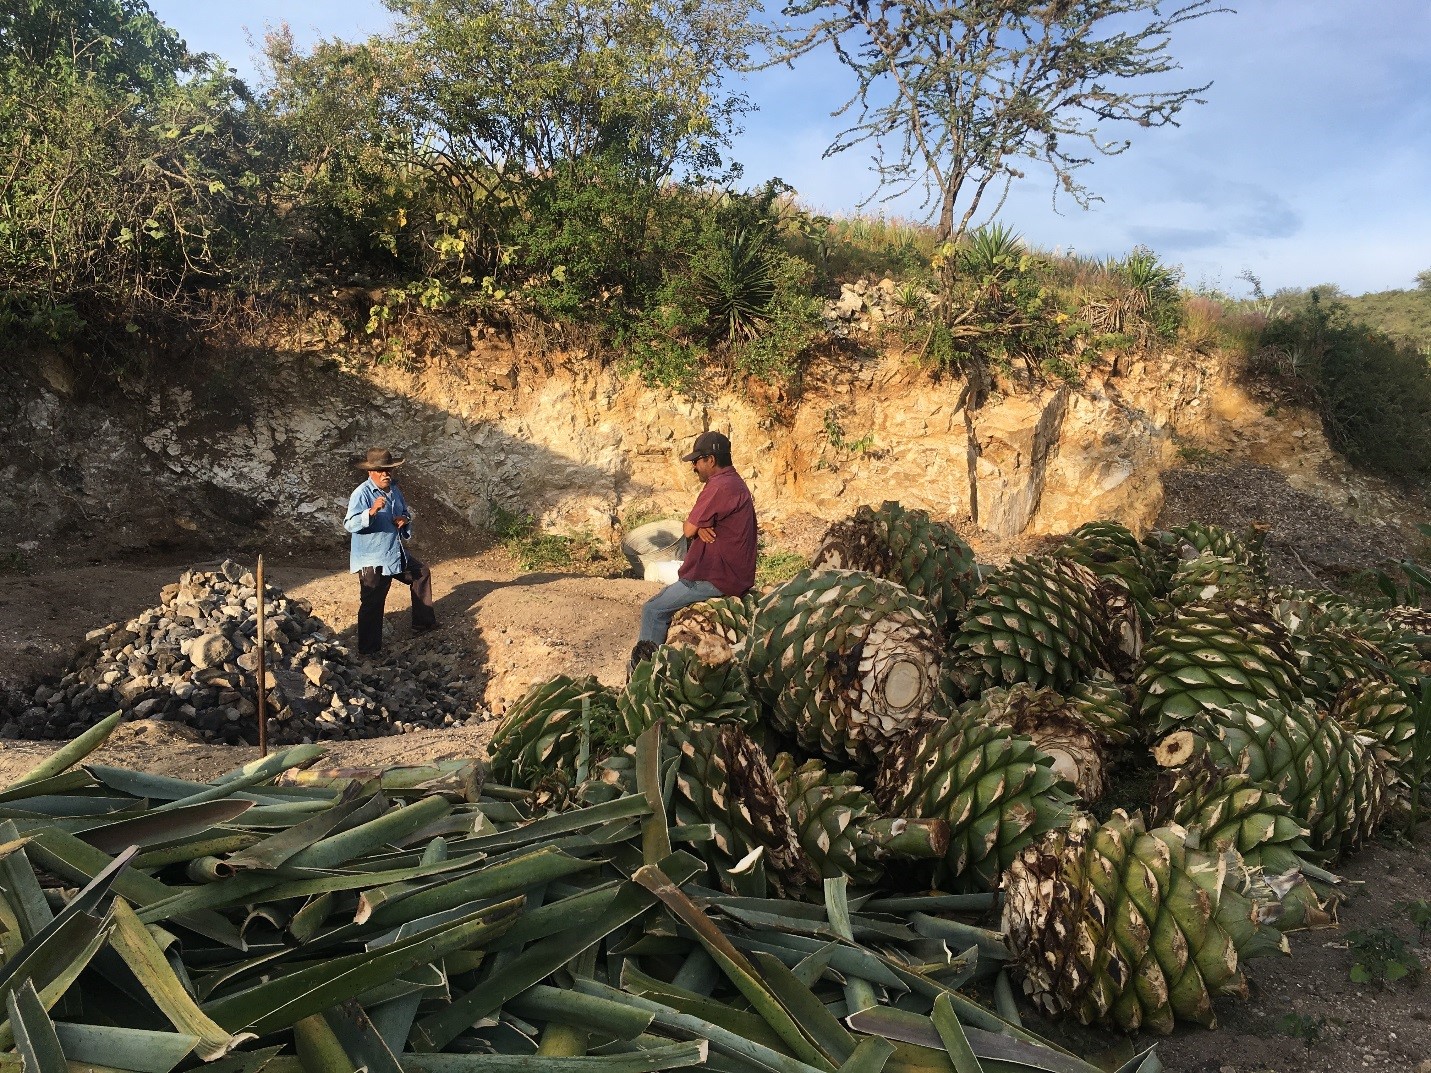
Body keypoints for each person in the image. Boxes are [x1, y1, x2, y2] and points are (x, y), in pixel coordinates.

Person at [635, 431, 757, 654]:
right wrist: (700, 527)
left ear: (711, 460)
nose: (694, 467)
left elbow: (687, 528)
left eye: (696, 461)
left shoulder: (719, 486)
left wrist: (696, 527)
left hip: (714, 578)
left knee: (652, 610)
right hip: (733, 574)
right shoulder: (735, 482)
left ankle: (644, 673)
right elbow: (696, 527)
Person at [343, 448, 436, 655]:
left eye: (388, 470)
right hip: (372, 559)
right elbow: (349, 524)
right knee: (372, 603)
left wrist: (404, 520)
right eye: (380, 471)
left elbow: (403, 512)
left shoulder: (394, 490)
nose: (386, 474)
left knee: (421, 573)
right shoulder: (362, 493)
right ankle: (368, 651)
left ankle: (423, 624)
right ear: (370, 473)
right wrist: (372, 511)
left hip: (393, 553)